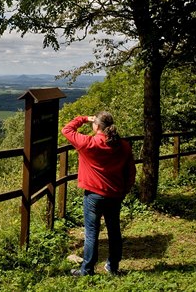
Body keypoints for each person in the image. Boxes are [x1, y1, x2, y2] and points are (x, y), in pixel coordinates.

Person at [61, 111, 136, 276]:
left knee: (91, 232)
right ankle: (113, 267)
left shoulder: (89, 143)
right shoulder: (123, 145)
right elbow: (131, 171)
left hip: (93, 195)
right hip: (115, 195)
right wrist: (125, 190)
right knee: (114, 231)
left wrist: (83, 119)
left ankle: (87, 270)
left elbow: (66, 130)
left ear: (96, 126)